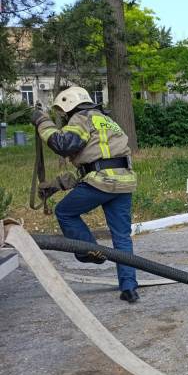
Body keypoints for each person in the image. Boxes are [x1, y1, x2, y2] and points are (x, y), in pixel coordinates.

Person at [31, 86, 140, 303]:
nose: (63, 116)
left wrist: (42, 122)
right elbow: (96, 159)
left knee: (64, 212)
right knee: (121, 236)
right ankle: (129, 287)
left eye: (62, 112)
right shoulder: (106, 120)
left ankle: (90, 251)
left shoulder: (80, 118)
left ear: (68, 106)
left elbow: (64, 144)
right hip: (123, 182)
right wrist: (58, 184)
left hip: (101, 182)